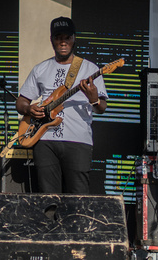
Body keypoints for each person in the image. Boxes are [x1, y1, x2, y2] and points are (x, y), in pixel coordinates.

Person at [15, 16, 107, 194]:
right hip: (45, 140)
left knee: (78, 198)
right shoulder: (40, 69)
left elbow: (101, 108)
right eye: (58, 37)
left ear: (74, 39)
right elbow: (21, 102)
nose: (63, 42)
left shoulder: (89, 69)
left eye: (67, 37)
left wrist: (94, 99)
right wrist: (29, 109)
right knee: (48, 197)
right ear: (52, 40)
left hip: (78, 141)